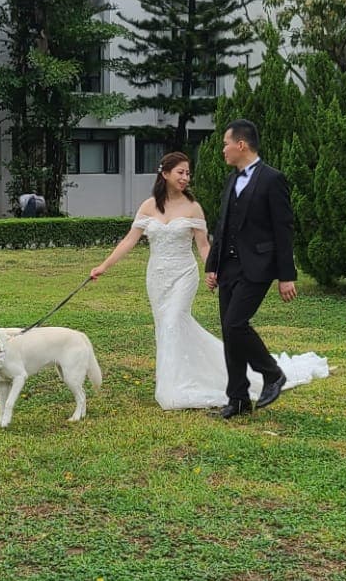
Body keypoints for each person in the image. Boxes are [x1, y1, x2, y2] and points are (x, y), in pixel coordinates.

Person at [90, 149, 327, 412]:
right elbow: (129, 240)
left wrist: (213, 270)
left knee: (172, 322)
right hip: (157, 277)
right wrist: (103, 266)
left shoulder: (193, 207)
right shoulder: (148, 206)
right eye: (180, 172)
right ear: (165, 174)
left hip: (183, 275)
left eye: (188, 173)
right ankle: (185, 376)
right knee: (166, 327)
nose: (185, 178)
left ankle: (172, 390)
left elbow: (204, 246)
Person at [205, 119, 315, 419]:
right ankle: (238, 399)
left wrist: (286, 275)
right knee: (230, 332)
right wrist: (212, 266)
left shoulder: (272, 179)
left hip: (258, 266)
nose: (223, 150)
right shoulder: (231, 180)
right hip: (228, 267)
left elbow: (283, 229)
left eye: (226, 144)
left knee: (234, 324)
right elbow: (222, 226)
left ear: (241, 144)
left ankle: (272, 373)